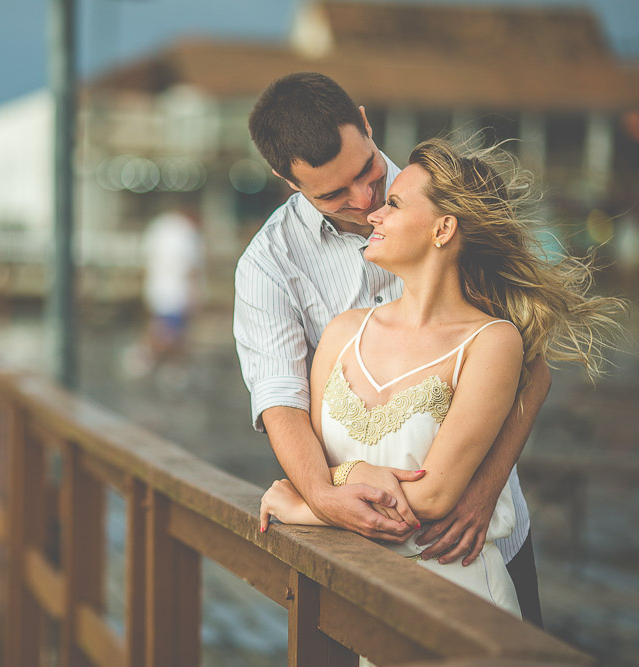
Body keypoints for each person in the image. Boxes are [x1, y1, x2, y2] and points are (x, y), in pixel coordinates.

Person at [257, 137, 623, 620]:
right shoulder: (342, 332)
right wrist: (343, 479)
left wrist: (306, 508)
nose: (372, 215)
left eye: (392, 203)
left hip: (456, 602)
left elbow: (432, 498)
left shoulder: (492, 342)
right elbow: (320, 473)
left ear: (443, 228)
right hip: (356, 604)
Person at [233, 72, 550, 623]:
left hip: (472, 540)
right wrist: (324, 497)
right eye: (334, 193)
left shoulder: (445, 192)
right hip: (352, 550)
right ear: (289, 182)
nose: (366, 201)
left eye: (368, 171)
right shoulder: (270, 266)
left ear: (365, 123)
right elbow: (282, 400)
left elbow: (531, 365)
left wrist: (481, 490)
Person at [124, 207, 204, 378]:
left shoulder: (159, 226)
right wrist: (195, 295)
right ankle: (145, 359)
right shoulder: (187, 233)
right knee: (168, 333)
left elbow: (146, 260)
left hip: (157, 289)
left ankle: (165, 365)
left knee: (165, 330)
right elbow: (191, 269)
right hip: (178, 293)